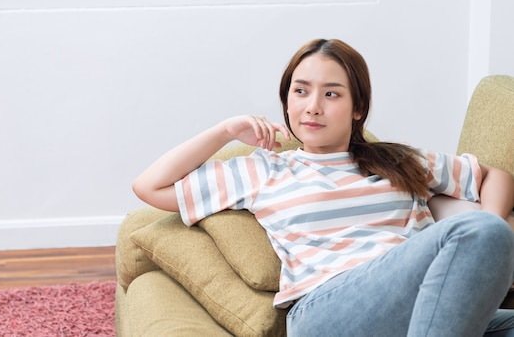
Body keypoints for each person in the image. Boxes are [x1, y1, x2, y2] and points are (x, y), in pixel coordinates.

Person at [132, 38, 514, 337]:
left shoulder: (399, 161)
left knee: (486, 235)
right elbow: (150, 187)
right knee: (479, 229)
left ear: (357, 107)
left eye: (331, 94)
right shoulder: (264, 169)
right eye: (300, 91)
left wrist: (495, 227)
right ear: (286, 100)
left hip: (416, 303)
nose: (313, 106)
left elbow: (495, 176)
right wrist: (224, 131)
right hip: (327, 310)